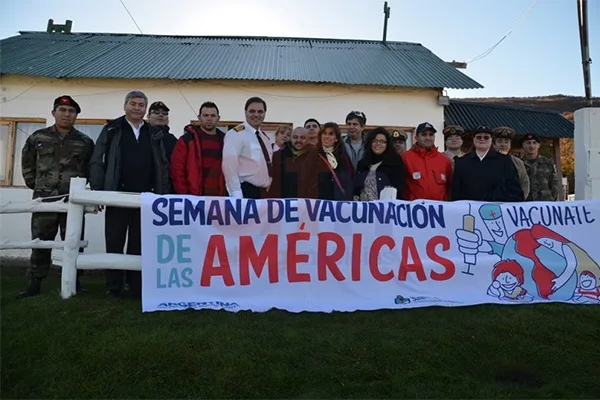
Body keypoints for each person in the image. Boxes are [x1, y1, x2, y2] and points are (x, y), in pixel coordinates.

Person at [89, 90, 171, 297]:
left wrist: (161, 193)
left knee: (139, 241)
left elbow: (162, 165)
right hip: (117, 194)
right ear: (125, 106)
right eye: (133, 104)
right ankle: (113, 286)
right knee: (115, 240)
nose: (137, 108)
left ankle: (135, 285)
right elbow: (98, 159)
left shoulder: (153, 133)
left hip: (145, 197)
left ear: (145, 109)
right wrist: (98, 191)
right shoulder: (112, 129)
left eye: (141, 105)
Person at [16, 95, 95, 299]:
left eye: (71, 111)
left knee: (73, 240)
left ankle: (74, 281)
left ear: (76, 115)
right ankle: (35, 282)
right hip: (45, 200)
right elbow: (27, 164)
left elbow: (90, 169)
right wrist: (39, 186)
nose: (66, 114)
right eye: (62, 110)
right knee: (41, 241)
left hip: (73, 200)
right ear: (54, 113)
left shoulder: (85, 142)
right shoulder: (38, 137)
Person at [452, 125, 524, 202]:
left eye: (486, 137)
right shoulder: (462, 161)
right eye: (479, 137)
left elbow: (513, 187)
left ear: (491, 140)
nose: (482, 139)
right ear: (473, 139)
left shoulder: (504, 160)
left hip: (495, 208)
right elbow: (456, 190)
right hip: (469, 209)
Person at [170, 101, 227, 196]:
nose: (209, 119)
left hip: (219, 198)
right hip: (194, 198)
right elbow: (177, 169)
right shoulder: (187, 140)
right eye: (205, 115)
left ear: (218, 118)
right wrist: (185, 195)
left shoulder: (226, 141)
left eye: (213, 116)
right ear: (199, 117)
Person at [222, 97, 273, 199]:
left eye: (260, 111)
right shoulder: (236, 134)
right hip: (246, 191)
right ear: (245, 113)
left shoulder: (264, 138)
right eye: (252, 111)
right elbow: (229, 166)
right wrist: (236, 193)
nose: (256, 115)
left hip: (263, 193)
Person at [401, 122, 453, 201]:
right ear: (416, 137)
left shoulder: (445, 160)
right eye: (424, 134)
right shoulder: (405, 158)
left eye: (431, 134)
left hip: (439, 210)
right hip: (413, 210)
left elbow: (449, 188)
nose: (428, 138)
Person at [353, 127, 405, 201]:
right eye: (375, 141)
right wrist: (356, 195)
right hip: (364, 208)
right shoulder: (362, 164)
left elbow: (399, 188)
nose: (378, 144)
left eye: (382, 141)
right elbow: (357, 187)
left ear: (387, 144)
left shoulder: (395, 162)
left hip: (385, 208)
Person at [310, 122, 354, 200]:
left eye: (331, 134)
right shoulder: (312, 156)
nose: (327, 136)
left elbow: (349, 182)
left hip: (339, 204)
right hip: (319, 203)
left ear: (336, 138)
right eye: (324, 133)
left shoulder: (343, 158)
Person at [268, 127, 314, 198]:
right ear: (290, 139)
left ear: (308, 140)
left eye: (302, 138)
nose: (298, 140)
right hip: (283, 202)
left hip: (306, 202)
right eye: (295, 137)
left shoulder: (314, 156)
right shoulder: (278, 156)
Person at [492, 126, 530, 200]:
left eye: (506, 142)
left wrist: (521, 199)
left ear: (510, 144)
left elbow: (525, 183)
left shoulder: (518, 163)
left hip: (513, 205)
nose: (503, 144)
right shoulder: (487, 161)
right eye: (500, 141)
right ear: (494, 144)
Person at [521, 133, 559, 201]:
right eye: (528, 143)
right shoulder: (519, 164)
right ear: (523, 145)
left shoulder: (548, 163)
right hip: (525, 205)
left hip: (545, 204)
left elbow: (554, 185)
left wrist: (552, 200)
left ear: (539, 145)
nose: (531, 146)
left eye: (534, 143)